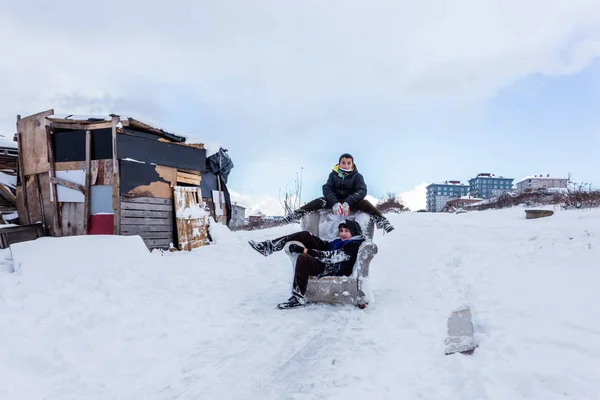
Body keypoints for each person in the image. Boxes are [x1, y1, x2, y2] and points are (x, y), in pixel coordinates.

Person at [248, 219, 365, 309]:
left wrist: (304, 250)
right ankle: (269, 247)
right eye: (341, 231)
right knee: (305, 234)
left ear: (353, 232)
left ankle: (298, 298)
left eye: (347, 231)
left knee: (303, 258)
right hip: (325, 261)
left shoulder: (353, 244)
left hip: (333, 267)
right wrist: (311, 237)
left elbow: (333, 256)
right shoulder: (340, 241)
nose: (343, 234)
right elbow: (325, 246)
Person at [284, 153, 394, 233]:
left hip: (351, 201)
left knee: (365, 203)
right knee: (319, 201)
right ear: (339, 163)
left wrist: (348, 202)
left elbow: (362, 190)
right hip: (334, 200)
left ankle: (382, 221)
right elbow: (327, 189)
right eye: (343, 163)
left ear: (352, 164)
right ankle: (296, 214)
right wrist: (334, 202)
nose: (346, 165)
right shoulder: (333, 175)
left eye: (348, 163)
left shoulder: (357, 176)